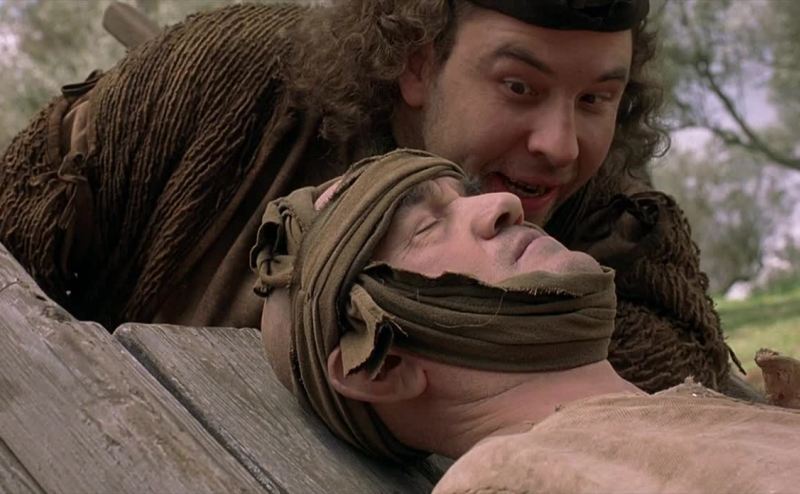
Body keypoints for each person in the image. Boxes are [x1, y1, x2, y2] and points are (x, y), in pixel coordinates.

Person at [0, 0, 737, 394]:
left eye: (595, 98)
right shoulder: (222, 86)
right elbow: (17, 230)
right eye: (519, 86)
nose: (561, 146)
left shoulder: (621, 241)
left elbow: (671, 407)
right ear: (419, 63)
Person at [252, 149, 800, 493]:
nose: (501, 204)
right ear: (381, 366)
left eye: (464, 196)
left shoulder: (675, 416)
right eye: (426, 226)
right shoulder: (510, 479)